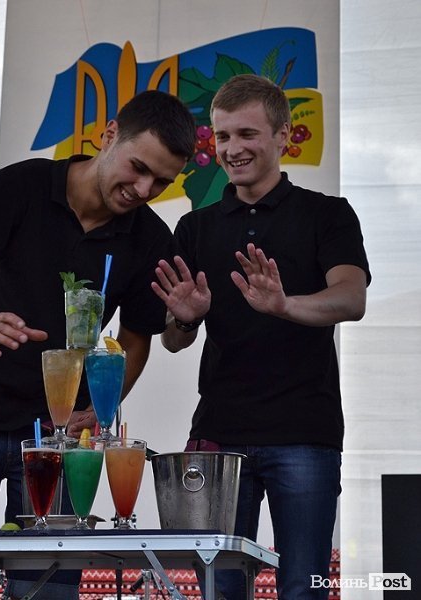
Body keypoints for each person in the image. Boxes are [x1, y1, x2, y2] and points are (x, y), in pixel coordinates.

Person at [0, 89, 196, 599]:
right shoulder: (20, 186)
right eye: (137, 168)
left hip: (58, 438)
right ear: (109, 135)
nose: (143, 189)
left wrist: (100, 410)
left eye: (161, 181)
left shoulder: (151, 240)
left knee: (47, 588)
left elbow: (135, 341)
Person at [151, 74, 370, 600]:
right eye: (223, 136)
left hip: (305, 433)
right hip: (220, 434)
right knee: (220, 590)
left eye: (247, 134)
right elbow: (173, 341)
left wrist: (284, 304)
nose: (232, 149)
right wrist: (185, 319)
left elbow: (351, 298)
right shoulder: (195, 228)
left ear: (282, 136)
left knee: (303, 587)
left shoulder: (327, 214)